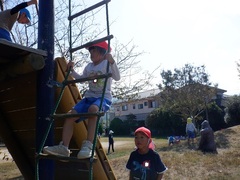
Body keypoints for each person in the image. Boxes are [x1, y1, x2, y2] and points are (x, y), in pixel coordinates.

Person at [43, 41, 121, 159]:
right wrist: (72, 70)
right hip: (89, 97)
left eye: (94, 51)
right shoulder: (89, 67)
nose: (91, 54)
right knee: (70, 115)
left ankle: (88, 146)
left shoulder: (106, 64)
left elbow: (117, 77)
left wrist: (112, 62)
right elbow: (81, 79)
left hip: (102, 98)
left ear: (102, 52)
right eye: (90, 52)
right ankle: (64, 147)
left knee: (93, 109)